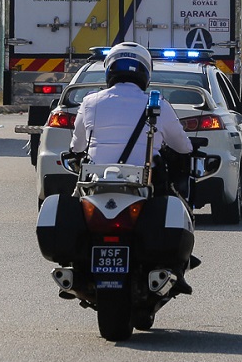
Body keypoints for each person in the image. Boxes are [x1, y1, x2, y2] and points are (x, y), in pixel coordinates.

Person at [70, 41, 199, 293]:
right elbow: (183, 146)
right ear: (145, 73)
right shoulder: (157, 102)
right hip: (144, 182)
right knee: (177, 204)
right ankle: (177, 269)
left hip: (96, 181)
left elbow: (77, 145)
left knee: (75, 203)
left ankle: (77, 267)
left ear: (109, 71)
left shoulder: (90, 101)